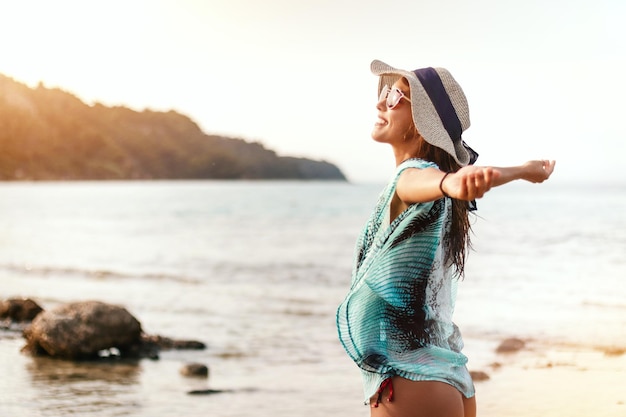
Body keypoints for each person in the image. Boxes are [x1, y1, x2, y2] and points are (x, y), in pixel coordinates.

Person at [336, 60, 556, 417]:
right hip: (449, 374)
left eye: (396, 97)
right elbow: (453, 179)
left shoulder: (411, 178)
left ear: (422, 126)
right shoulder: (436, 193)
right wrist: (522, 170)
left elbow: (432, 181)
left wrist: (450, 183)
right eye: (384, 93)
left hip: (409, 378)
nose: (381, 102)